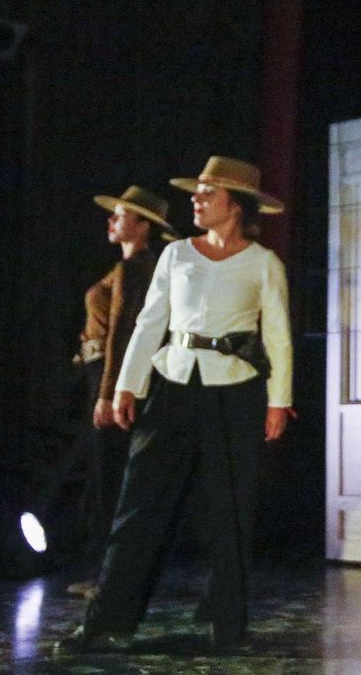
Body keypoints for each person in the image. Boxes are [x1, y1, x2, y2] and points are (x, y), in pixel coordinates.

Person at [59, 157, 292, 654]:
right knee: (138, 507)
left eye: (208, 193)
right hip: (173, 384)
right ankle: (106, 623)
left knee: (228, 512)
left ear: (236, 205)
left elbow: (279, 337)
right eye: (197, 191)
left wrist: (279, 402)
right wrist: (127, 386)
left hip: (235, 389)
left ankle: (227, 625)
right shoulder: (177, 255)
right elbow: (149, 322)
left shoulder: (263, 263)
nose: (197, 199)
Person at [69, 185, 176, 599]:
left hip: (111, 380)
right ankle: (112, 574)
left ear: (143, 226)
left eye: (121, 215)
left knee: (111, 476)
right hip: (104, 375)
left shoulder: (137, 268)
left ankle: (112, 578)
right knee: (111, 475)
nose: (111, 221)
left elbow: (123, 334)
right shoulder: (129, 266)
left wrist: (109, 392)